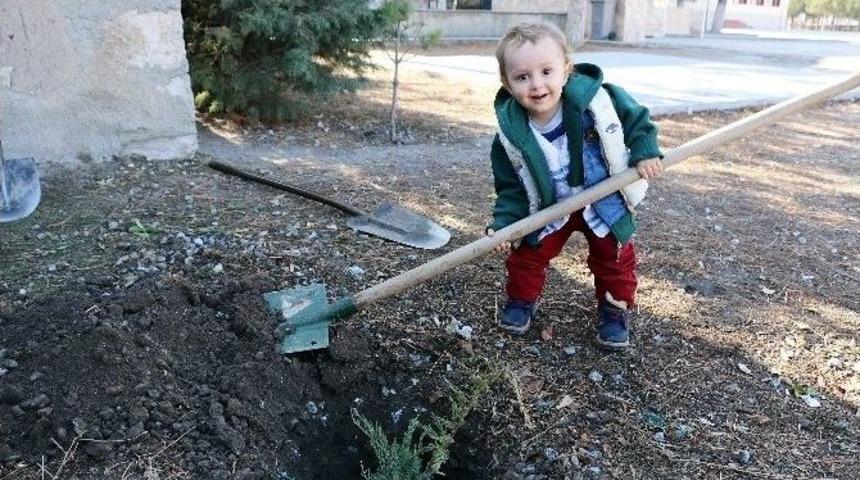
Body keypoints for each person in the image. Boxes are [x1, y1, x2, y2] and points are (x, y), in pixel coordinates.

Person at [485, 22, 663, 349]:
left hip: (603, 197)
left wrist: (645, 152)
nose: (537, 85)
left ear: (566, 70)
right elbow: (510, 188)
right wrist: (504, 224)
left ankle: (614, 308)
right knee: (527, 253)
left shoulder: (599, 101)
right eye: (522, 77)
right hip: (551, 206)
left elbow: (637, 120)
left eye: (546, 71)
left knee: (615, 256)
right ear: (507, 84)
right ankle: (521, 300)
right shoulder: (510, 137)